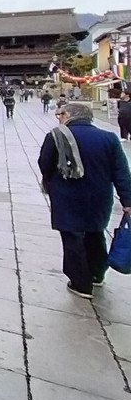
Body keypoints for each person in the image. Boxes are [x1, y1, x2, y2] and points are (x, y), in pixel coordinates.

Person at [38, 102, 131, 298]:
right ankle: (97, 274)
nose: (59, 118)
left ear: (68, 115)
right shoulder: (109, 138)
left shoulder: (56, 136)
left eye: (60, 114)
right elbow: (121, 172)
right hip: (99, 196)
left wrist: (51, 183)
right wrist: (127, 201)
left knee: (73, 237)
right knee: (96, 233)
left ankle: (81, 283)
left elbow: (44, 164)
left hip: (67, 195)